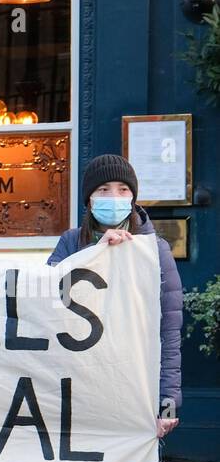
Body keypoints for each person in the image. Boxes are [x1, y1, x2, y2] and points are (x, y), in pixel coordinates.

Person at [47, 154, 182, 439]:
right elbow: (44, 297)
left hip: (134, 390)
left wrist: (167, 407)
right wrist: (94, 254)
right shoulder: (70, 242)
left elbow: (168, 332)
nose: (114, 196)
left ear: (133, 197)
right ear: (89, 199)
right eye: (103, 189)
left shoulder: (155, 251)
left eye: (123, 189)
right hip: (80, 387)